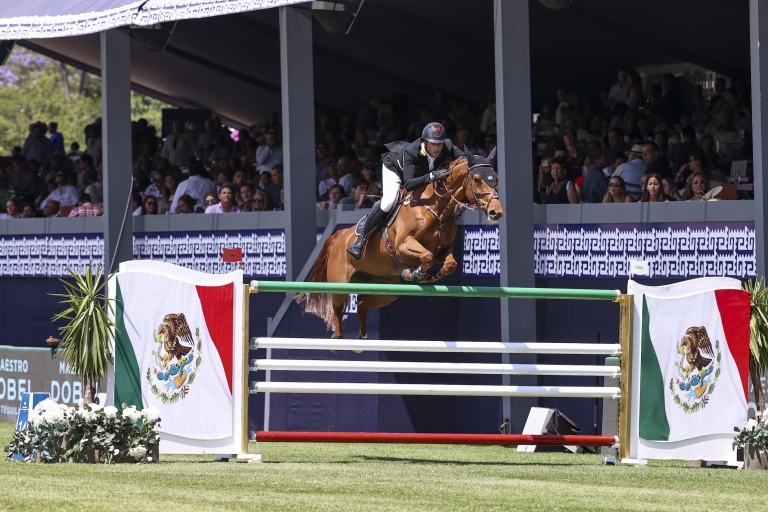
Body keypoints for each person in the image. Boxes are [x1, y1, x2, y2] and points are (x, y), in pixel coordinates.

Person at [346, 122, 466, 259]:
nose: (437, 148)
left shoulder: (447, 145)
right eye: (433, 144)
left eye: (440, 144)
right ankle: (360, 241)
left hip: (421, 173)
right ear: (425, 142)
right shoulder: (412, 151)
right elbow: (409, 183)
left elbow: (465, 160)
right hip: (396, 169)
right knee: (389, 201)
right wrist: (432, 176)